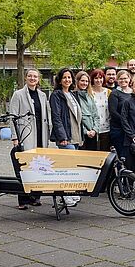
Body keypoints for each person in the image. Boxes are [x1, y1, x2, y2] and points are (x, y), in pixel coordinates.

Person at [9, 68, 50, 210]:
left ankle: (35, 197)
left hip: (40, 135)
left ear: (38, 79)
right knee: (25, 167)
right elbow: (12, 117)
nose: (33, 78)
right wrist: (15, 137)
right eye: (30, 76)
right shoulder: (18, 94)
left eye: (35, 76)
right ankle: (23, 199)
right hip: (26, 135)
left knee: (39, 166)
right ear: (26, 78)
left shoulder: (43, 95)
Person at [49, 68, 82, 207]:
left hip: (75, 136)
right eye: (64, 77)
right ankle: (65, 195)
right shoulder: (57, 95)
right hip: (65, 137)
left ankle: (72, 192)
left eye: (69, 77)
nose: (67, 80)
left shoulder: (73, 95)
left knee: (73, 166)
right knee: (66, 167)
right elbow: (56, 117)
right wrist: (62, 136)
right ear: (59, 80)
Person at [107, 70, 132, 159]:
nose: (123, 80)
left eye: (125, 78)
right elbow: (113, 112)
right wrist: (125, 122)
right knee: (122, 156)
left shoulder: (133, 92)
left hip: (131, 130)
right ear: (117, 80)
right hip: (118, 129)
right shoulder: (114, 93)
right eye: (120, 79)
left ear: (129, 79)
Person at [74, 70, 99, 151]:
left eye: (87, 81)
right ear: (77, 81)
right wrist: (85, 131)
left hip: (93, 134)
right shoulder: (73, 96)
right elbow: (76, 118)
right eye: (82, 81)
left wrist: (95, 130)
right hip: (81, 134)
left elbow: (96, 115)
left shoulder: (90, 96)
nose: (84, 83)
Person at [89, 69, 111, 151]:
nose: (98, 80)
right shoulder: (89, 92)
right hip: (92, 128)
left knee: (104, 152)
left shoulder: (109, 92)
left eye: (100, 78)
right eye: (96, 78)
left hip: (106, 127)